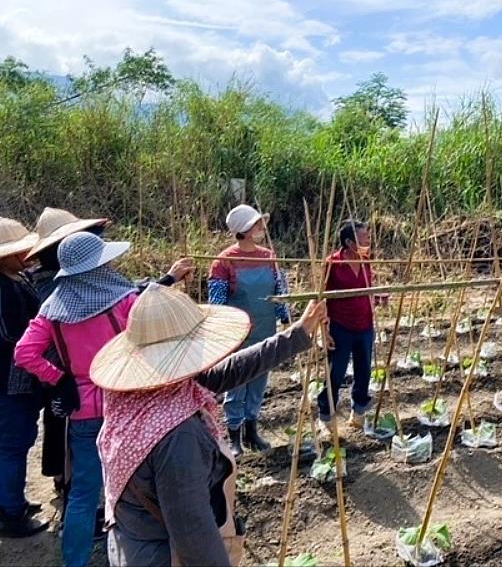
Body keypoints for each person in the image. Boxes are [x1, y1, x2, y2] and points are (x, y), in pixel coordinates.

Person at [88, 285, 326, 567]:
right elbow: (193, 535)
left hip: (132, 545)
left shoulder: (137, 395)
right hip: (163, 556)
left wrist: (296, 334)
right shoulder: (177, 434)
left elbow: (227, 372)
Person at [14, 232, 192, 567]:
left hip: (82, 409)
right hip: (126, 403)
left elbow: (24, 353)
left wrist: (59, 378)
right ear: (99, 265)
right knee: (133, 487)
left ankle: (74, 561)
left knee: (82, 493)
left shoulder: (53, 310)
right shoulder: (124, 302)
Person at [25, 207, 109, 497]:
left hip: (58, 371)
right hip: (64, 371)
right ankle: (67, 483)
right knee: (66, 432)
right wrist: (59, 377)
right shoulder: (54, 286)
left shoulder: (45, 279)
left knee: (60, 425)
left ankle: (64, 481)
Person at [208, 204, 290, 457]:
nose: (261, 228)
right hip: (238, 334)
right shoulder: (224, 262)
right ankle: (234, 434)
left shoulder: (268, 257)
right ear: (243, 230)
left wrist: (285, 319)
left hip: (265, 328)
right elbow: (217, 302)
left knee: (259, 381)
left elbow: (279, 292)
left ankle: (252, 430)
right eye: (256, 225)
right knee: (237, 384)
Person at [0, 218, 48, 538]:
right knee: (13, 446)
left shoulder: (14, 279)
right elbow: (15, 339)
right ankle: (11, 512)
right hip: (12, 380)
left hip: (11, 377)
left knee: (12, 445)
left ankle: (11, 500)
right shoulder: (6, 289)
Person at [318, 220, 373, 432]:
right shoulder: (333, 262)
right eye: (363, 238)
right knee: (335, 373)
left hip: (365, 324)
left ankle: (358, 412)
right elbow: (321, 298)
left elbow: (369, 287)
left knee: (364, 370)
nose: (368, 240)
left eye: (368, 236)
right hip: (341, 326)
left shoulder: (367, 260)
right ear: (349, 242)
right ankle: (326, 415)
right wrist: (324, 330)